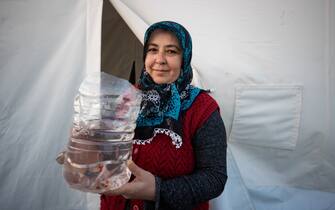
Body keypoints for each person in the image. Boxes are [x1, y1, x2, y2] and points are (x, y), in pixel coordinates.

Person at [101, 21, 227, 210]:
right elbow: (107, 150)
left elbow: (214, 178)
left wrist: (158, 190)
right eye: (153, 50)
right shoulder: (126, 98)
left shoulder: (202, 108)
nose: (159, 59)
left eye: (171, 51)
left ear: (185, 57)